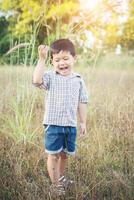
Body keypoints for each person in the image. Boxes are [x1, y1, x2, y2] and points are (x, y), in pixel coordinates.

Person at [32, 39, 88, 196]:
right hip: (53, 124)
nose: (61, 63)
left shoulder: (78, 79)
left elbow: (82, 101)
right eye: (57, 60)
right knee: (53, 154)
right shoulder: (50, 77)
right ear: (52, 62)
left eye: (65, 59)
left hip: (70, 125)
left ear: (74, 59)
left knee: (64, 155)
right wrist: (41, 59)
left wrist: (83, 122)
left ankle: (60, 178)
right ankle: (55, 185)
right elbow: (37, 81)